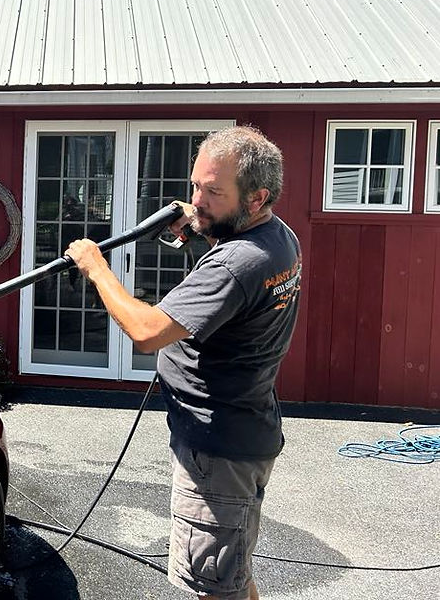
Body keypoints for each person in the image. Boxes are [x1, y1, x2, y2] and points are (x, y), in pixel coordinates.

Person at [64, 126, 302, 600]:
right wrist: (202, 224)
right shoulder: (279, 237)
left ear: (257, 197)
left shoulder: (237, 264)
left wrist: (96, 267)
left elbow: (148, 331)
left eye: (213, 192)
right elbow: (229, 277)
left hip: (218, 451)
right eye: (195, 185)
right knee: (233, 575)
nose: (196, 200)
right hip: (246, 429)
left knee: (211, 587)